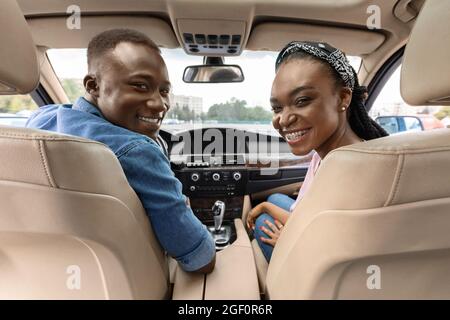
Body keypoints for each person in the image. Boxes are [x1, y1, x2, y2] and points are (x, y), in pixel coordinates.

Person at [26, 29, 215, 273]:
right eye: (140, 85)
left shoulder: (40, 120)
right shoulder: (138, 152)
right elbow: (200, 260)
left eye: (164, 90)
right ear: (93, 85)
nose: (159, 104)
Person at [247, 41, 388, 262]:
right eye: (277, 108)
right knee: (273, 199)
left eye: (302, 101)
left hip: (317, 264)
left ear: (343, 98)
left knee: (264, 222)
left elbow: (335, 255)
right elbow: (308, 217)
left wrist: (290, 239)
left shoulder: (348, 174)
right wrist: (266, 204)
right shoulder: (326, 154)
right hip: (317, 233)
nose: (283, 119)